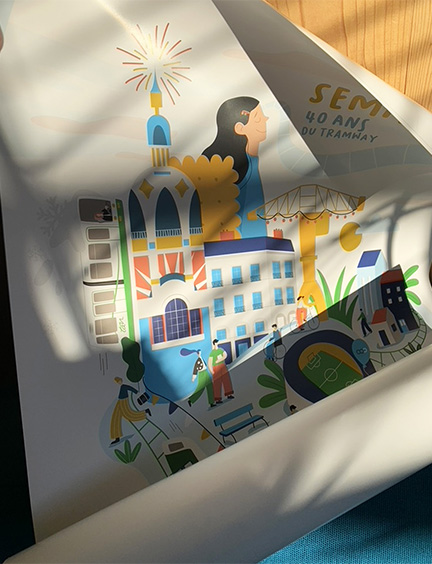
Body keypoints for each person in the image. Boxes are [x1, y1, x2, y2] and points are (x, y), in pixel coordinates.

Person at [202, 96, 268, 238]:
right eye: (258, 118)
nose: (266, 119)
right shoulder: (233, 169)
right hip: (239, 242)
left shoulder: (251, 161)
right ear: (240, 128)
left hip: (257, 242)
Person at [110, 377, 151, 445]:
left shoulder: (124, 386)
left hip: (123, 401)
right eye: (118, 382)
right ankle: (116, 437)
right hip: (119, 401)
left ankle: (145, 411)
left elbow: (130, 388)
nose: (119, 382)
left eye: (119, 381)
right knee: (115, 418)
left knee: (129, 414)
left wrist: (136, 392)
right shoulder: (122, 387)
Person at [207, 339, 234, 404]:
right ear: (214, 344)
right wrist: (211, 371)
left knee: (226, 380)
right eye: (216, 343)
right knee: (217, 383)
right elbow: (209, 363)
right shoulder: (212, 353)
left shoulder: (220, 350)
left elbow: (225, 355)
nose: (217, 344)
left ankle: (229, 394)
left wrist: (219, 360)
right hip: (216, 367)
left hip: (222, 366)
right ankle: (217, 398)